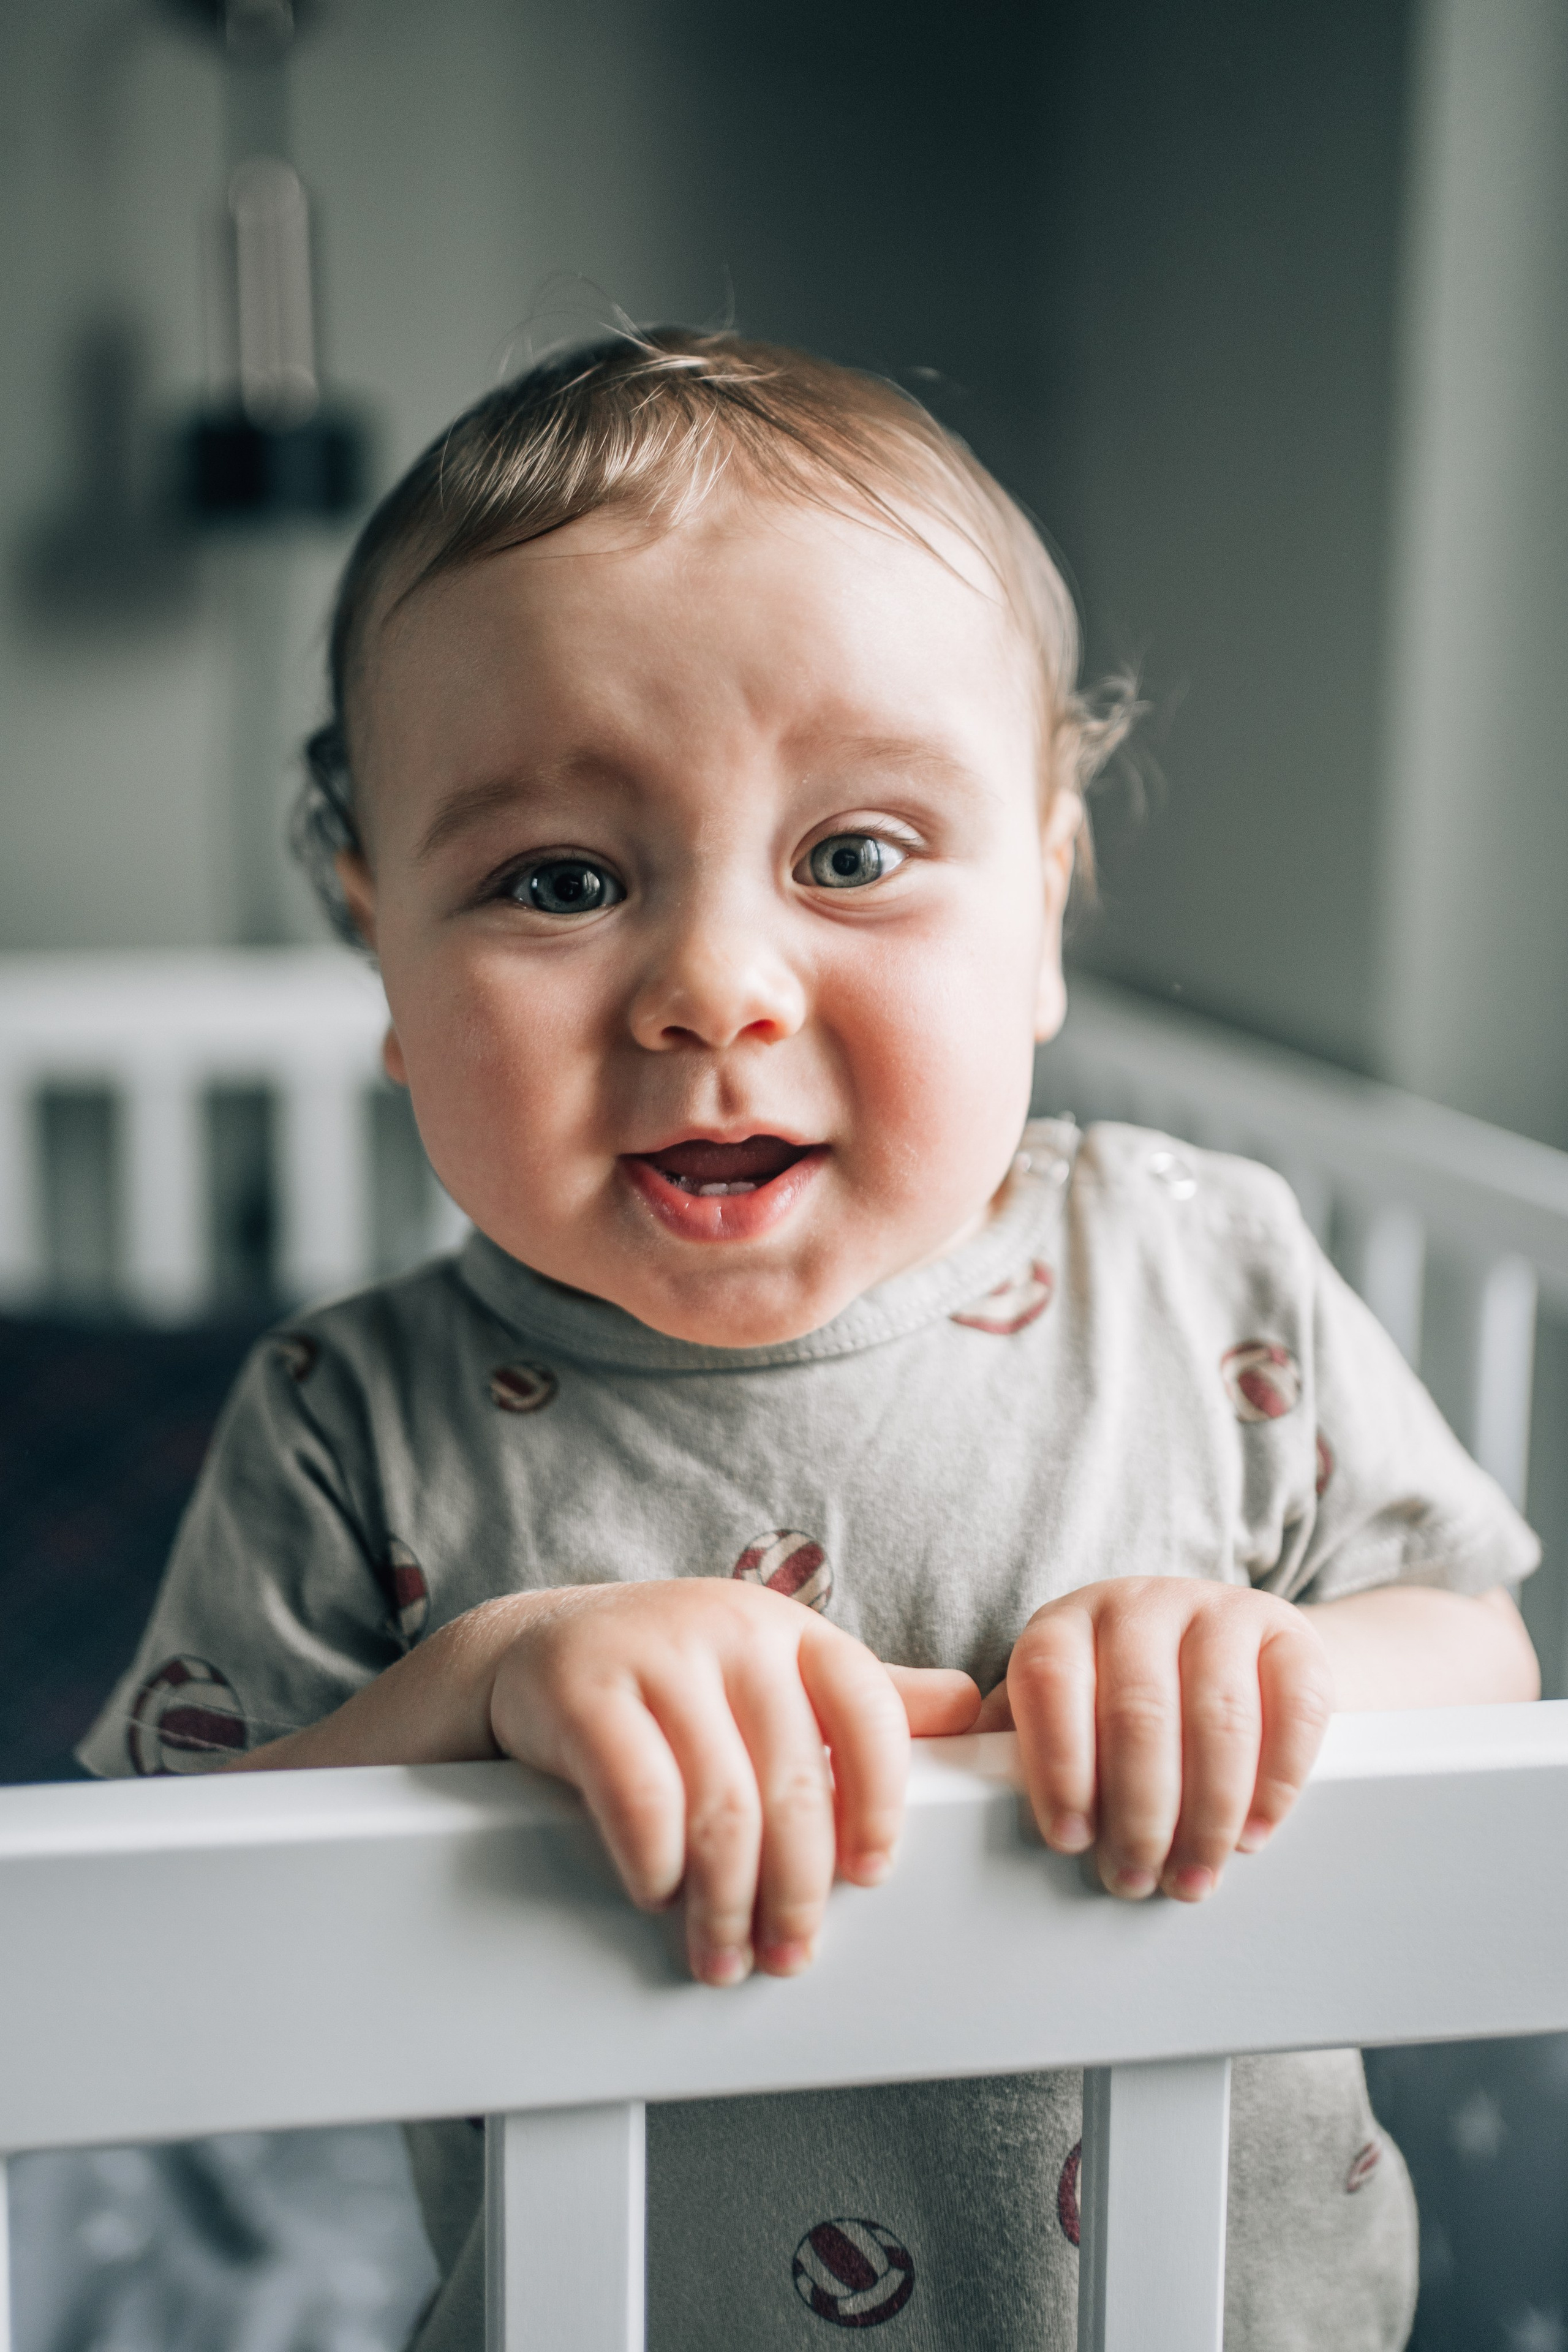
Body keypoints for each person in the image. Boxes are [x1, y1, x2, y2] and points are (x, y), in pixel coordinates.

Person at [81, 331, 1541, 2351]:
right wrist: (480, 1686)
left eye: (854, 855)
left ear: (1042, 902)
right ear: (384, 962)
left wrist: (1285, 1667)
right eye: (562, 881)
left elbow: (1481, 1656)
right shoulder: (352, 1425)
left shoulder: (1210, 1268)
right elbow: (136, 1957)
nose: (713, 988)